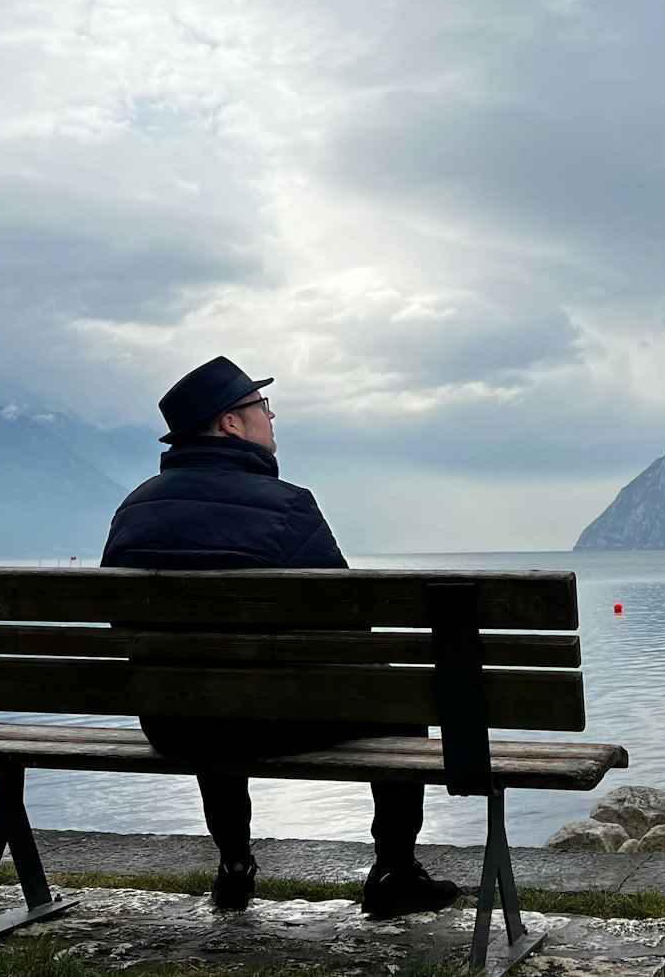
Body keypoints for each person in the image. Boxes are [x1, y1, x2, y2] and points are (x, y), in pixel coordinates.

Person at [101, 356, 460, 917]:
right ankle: (393, 871)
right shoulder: (288, 507)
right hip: (275, 721)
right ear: (230, 425)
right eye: (260, 407)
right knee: (399, 699)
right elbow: (351, 632)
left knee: (199, 689)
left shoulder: (135, 508)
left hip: (172, 723)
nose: (271, 417)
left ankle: (235, 865)